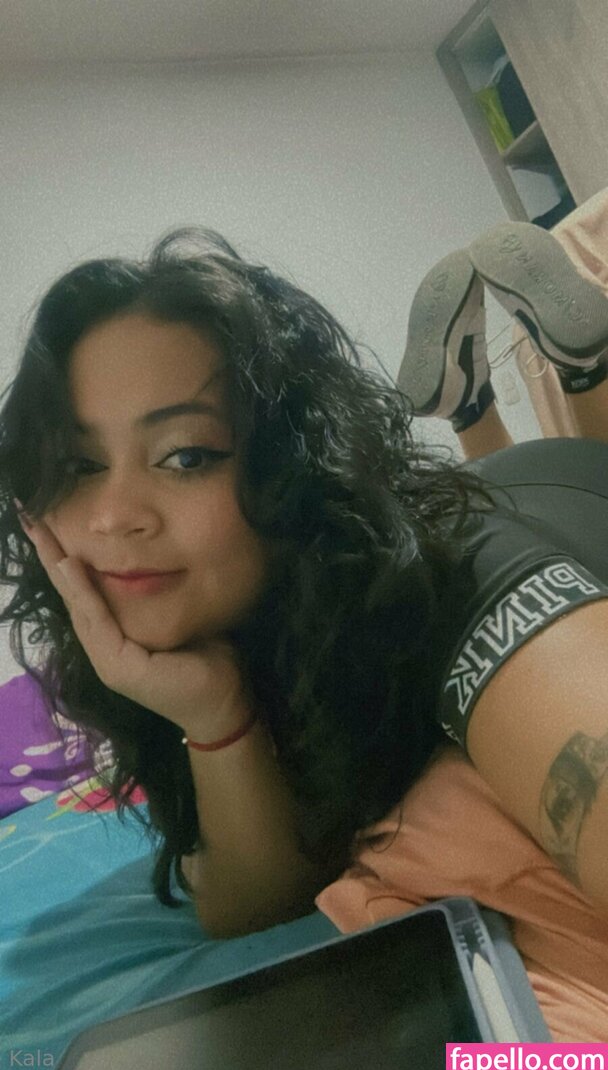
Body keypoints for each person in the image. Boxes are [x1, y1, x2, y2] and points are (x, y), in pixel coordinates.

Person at [0, 222, 607, 943]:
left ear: (289, 464)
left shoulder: (463, 584)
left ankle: (582, 369)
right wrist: (215, 718)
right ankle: (472, 401)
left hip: (562, 494)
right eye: (79, 466)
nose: (111, 518)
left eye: (186, 457)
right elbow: (250, 907)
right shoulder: (182, 632)